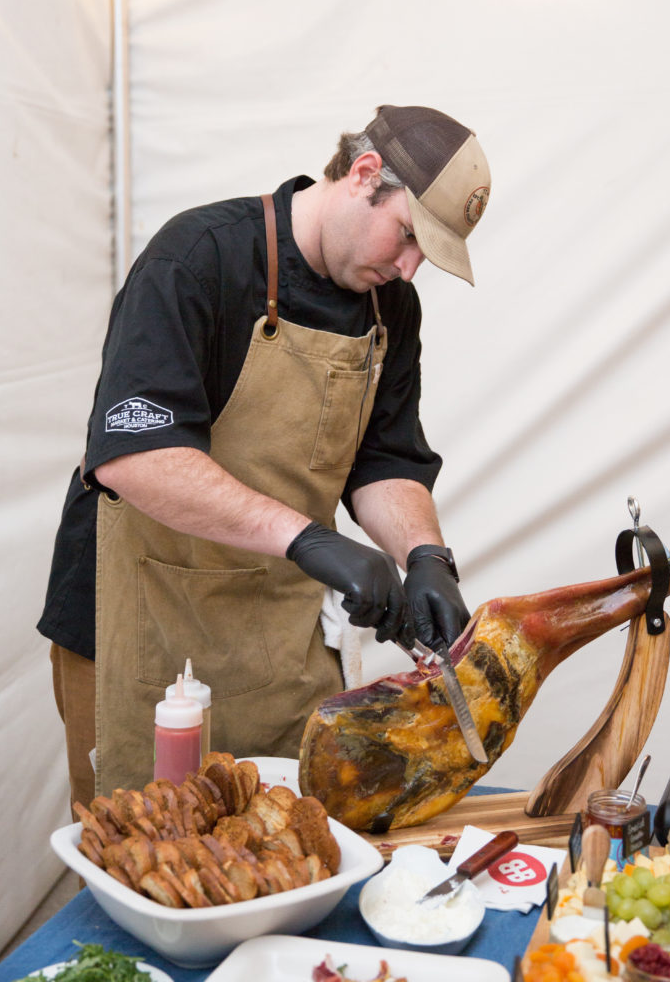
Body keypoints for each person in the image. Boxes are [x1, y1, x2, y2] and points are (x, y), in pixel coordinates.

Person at [38, 104, 491, 810]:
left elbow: (385, 460)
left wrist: (425, 555)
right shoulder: (198, 258)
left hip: (277, 634)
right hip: (140, 622)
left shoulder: (388, 308)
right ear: (364, 174)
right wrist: (311, 540)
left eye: (424, 255)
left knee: (284, 835)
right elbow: (137, 456)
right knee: (146, 848)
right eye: (408, 236)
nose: (408, 269)